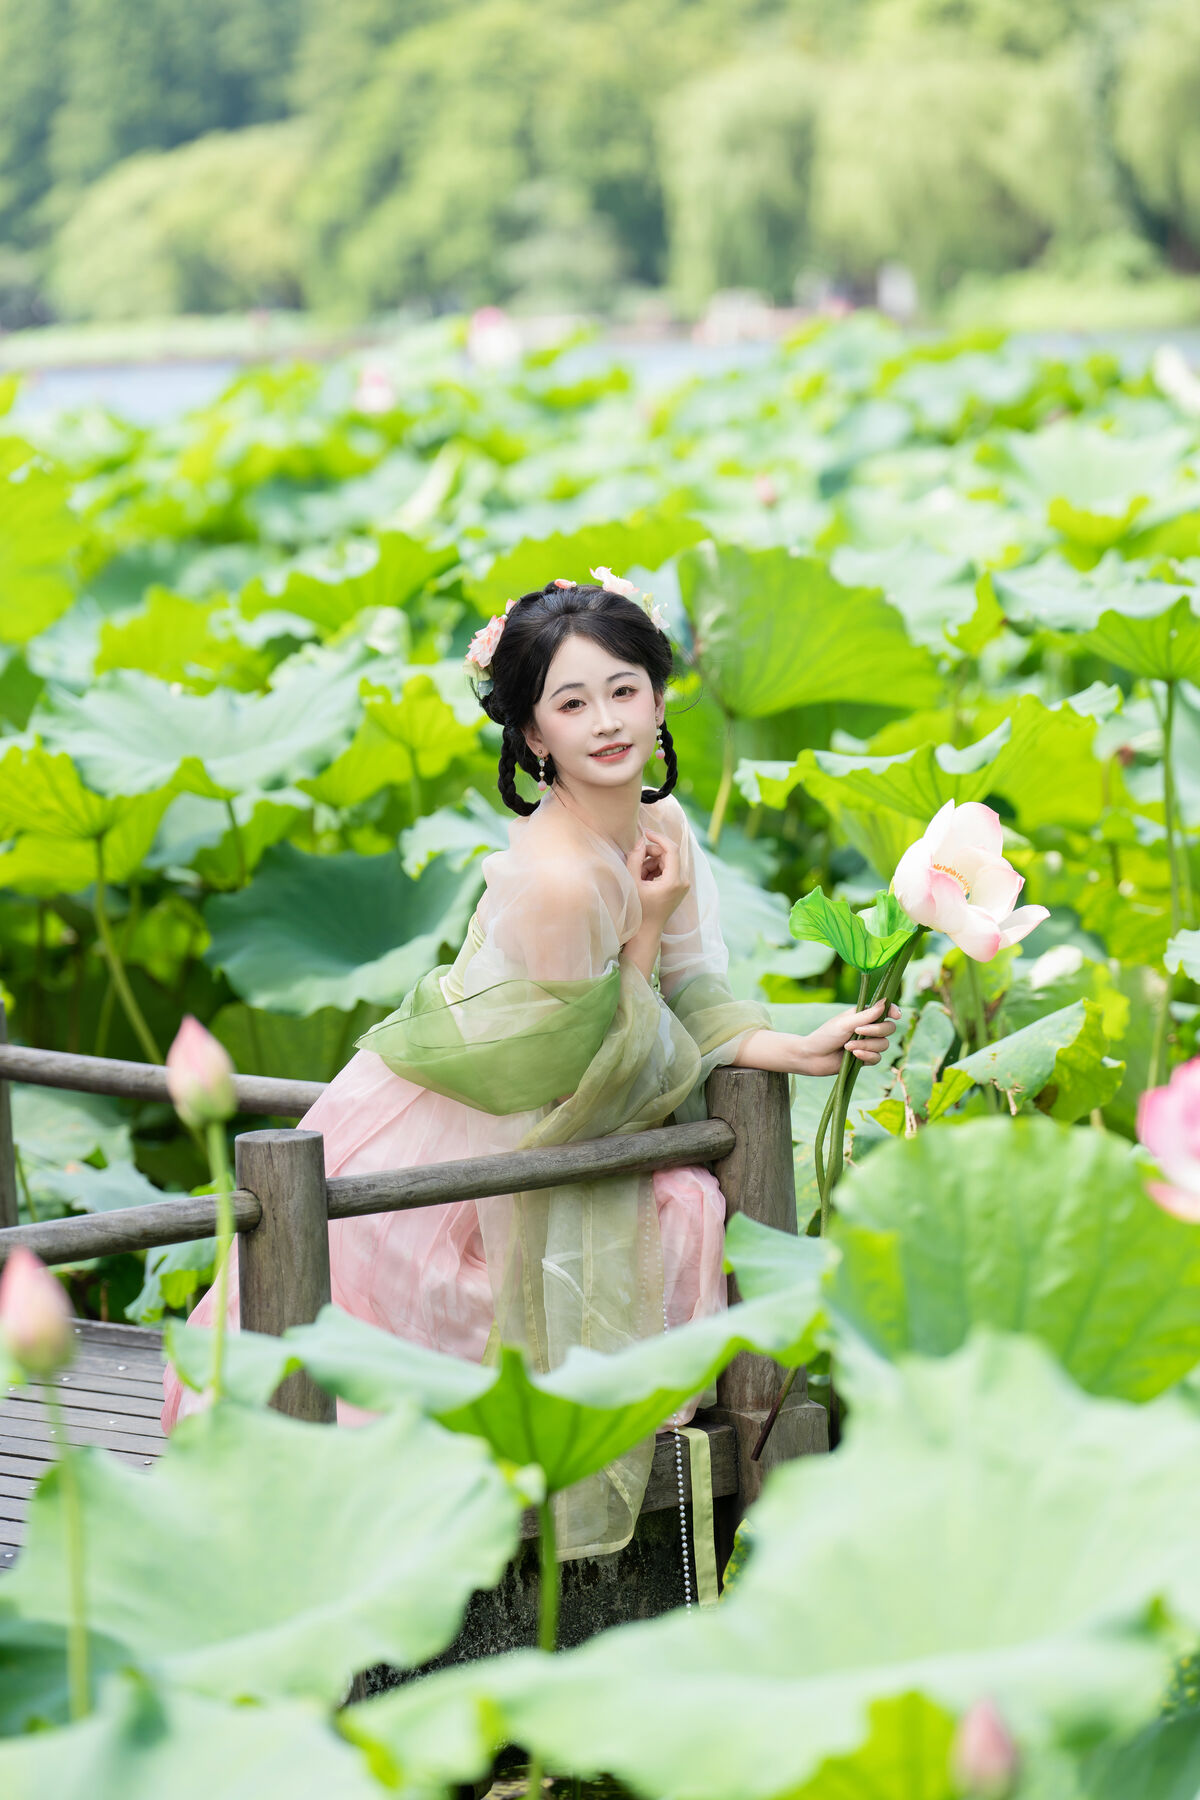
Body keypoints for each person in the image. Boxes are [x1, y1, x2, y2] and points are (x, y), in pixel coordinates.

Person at [160, 572, 899, 1555]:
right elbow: (592, 1076)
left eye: (624, 690)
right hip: (491, 1137)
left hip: (564, 1110)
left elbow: (692, 992)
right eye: (572, 702)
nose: (608, 722)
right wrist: (645, 926)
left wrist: (793, 1047)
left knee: (684, 1211)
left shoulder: (663, 825)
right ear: (532, 735)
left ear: (660, 697)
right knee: (682, 1213)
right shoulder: (556, 877)